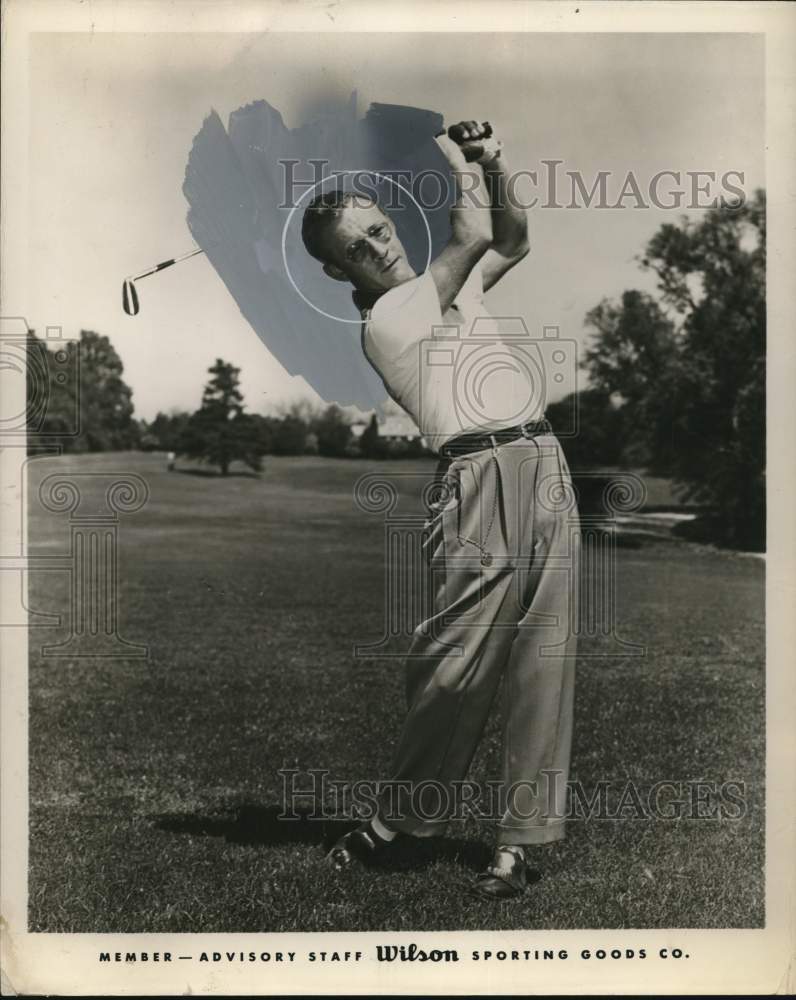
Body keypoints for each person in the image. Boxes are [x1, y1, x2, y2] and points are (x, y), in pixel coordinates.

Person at [301, 120, 580, 899]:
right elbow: (470, 229)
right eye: (358, 247)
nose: (381, 247)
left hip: (543, 461)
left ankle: (516, 846)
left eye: (380, 229)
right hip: (477, 476)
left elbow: (513, 236)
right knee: (454, 669)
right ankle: (401, 825)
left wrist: (496, 159)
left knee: (543, 658)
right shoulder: (389, 318)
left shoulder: (452, 286)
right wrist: (455, 159)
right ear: (337, 272)